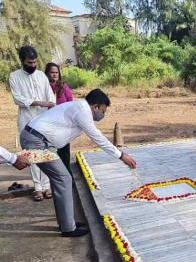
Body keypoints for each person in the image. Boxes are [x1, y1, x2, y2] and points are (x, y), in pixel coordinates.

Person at [20, 88, 137, 237]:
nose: (103, 114)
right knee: (63, 178)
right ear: (95, 106)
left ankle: (67, 222)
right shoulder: (82, 110)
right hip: (35, 142)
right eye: (102, 110)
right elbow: (97, 137)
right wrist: (121, 155)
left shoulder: (79, 107)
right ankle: (68, 228)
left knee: (60, 179)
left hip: (41, 142)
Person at [9, 46, 56, 202]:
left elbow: (51, 98)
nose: (33, 65)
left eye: (35, 62)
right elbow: (18, 99)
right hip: (26, 120)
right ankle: (38, 188)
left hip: (43, 121)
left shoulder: (42, 76)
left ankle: (47, 185)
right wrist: (39, 102)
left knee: (45, 153)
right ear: (22, 61)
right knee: (31, 155)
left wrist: (48, 104)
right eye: (30, 62)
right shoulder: (14, 76)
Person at [45, 63, 73, 174]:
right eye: (52, 72)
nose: (55, 75)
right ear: (47, 73)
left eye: (56, 72)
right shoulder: (44, 87)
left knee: (64, 151)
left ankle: (67, 173)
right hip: (49, 123)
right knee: (51, 151)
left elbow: (71, 103)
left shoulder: (63, 86)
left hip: (63, 123)